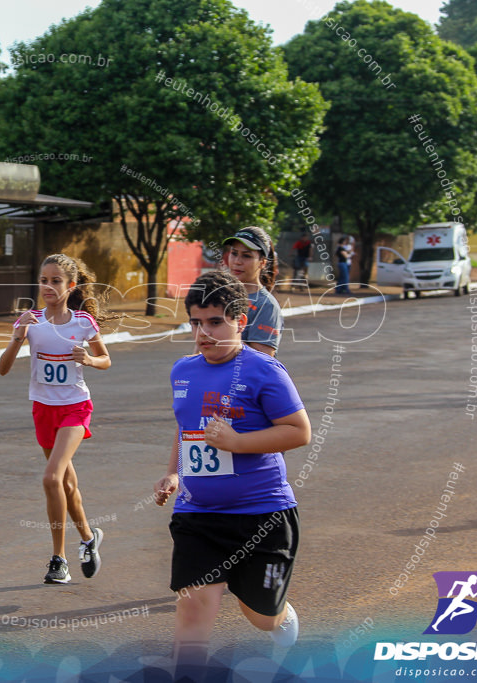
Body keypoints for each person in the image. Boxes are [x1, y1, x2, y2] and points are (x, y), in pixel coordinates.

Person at [153, 270, 312, 677]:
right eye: (195, 322)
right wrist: (173, 473)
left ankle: (277, 614)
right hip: (199, 515)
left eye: (215, 322)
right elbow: (187, 428)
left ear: (241, 321)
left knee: (260, 615)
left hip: (262, 516)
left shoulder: (264, 370)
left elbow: (299, 431)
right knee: (193, 611)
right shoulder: (182, 371)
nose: (203, 332)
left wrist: (238, 442)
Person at [0, 253, 111, 584]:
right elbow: (2, 369)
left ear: (70, 285)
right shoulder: (29, 321)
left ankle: (58, 558)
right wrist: (18, 337)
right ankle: (89, 539)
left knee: (51, 478)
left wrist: (89, 360)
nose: (48, 286)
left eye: (56, 281)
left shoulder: (83, 323)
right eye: (43, 280)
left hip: (75, 407)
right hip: (43, 409)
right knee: (66, 483)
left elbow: (106, 359)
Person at [222, 227, 282, 357]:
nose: (237, 261)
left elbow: (263, 359)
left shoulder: (266, 305)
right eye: (234, 253)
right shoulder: (220, 296)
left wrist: (221, 336)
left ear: (262, 263)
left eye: (247, 256)